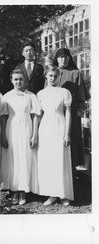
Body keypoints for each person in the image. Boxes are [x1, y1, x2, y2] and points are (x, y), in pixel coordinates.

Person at [52, 48, 90, 198]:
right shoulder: (51, 72)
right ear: (57, 59)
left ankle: (72, 178)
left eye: (66, 57)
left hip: (72, 114)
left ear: (69, 59)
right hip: (54, 114)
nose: (63, 60)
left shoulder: (75, 73)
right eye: (61, 57)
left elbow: (81, 95)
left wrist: (79, 109)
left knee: (71, 143)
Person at [0, 69, 40, 205]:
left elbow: (35, 116)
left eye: (21, 79)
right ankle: (15, 190)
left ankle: (23, 191)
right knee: (13, 158)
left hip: (26, 128)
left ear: (25, 80)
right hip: (12, 128)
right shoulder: (6, 96)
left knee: (24, 157)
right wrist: (3, 135)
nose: (18, 82)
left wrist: (35, 135)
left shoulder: (31, 96)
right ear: (11, 80)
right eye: (16, 79)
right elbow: (3, 117)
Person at [37, 65, 73, 206]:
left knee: (60, 159)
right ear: (46, 76)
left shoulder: (64, 92)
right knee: (49, 160)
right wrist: (35, 133)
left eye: (55, 76)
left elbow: (68, 113)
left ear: (58, 77)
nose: (52, 78)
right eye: (50, 75)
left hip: (60, 125)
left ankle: (63, 194)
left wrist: (67, 134)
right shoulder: (40, 94)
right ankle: (52, 194)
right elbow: (38, 116)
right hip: (45, 128)